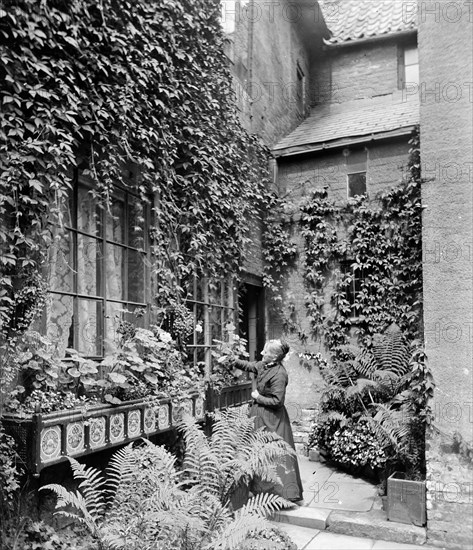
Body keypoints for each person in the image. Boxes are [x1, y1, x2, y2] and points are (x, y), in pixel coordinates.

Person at [229, 339, 303, 503]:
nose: (262, 353)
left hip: (273, 419)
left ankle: (280, 495)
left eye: (266, 352)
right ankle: (259, 489)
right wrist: (233, 360)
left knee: (274, 453)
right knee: (257, 452)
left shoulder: (280, 374)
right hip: (260, 416)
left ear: (275, 356)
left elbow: (278, 401)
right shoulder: (263, 365)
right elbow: (250, 366)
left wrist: (258, 397)